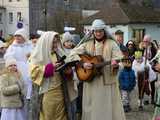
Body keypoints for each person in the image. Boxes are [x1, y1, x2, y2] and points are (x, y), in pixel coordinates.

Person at [66, 19, 126, 120]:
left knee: (107, 109)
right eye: (96, 31)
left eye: (100, 31)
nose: (98, 33)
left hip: (107, 84)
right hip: (91, 83)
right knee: (91, 110)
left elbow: (121, 62)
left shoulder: (112, 44)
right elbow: (71, 55)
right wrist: (83, 63)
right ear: (93, 32)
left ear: (104, 31)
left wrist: (116, 65)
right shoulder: (87, 44)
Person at [29, 31, 67, 120]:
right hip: (47, 92)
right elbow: (33, 73)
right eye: (53, 42)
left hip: (60, 90)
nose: (55, 45)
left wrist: (68, 70)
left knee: (61, 115)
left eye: (56, 42)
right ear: (46, 42)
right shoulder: (37, 55)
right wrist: (51, 67)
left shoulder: (60, 53)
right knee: (48, 116)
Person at [4, 28, 33, 119]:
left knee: (27, 94)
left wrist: (30, 57)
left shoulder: (30, 45)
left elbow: (34, 56)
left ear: (24, 36)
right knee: (18, 93)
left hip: (28, 71)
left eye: (19, 35)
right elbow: (8, 58)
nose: (17, 38)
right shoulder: (12, 47)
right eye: (16, 36)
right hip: (17, 71)